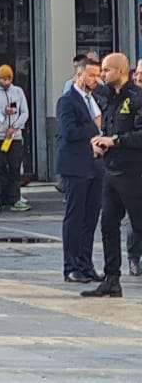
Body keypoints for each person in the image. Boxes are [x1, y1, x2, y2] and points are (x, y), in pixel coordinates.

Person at [84, 52, 142, 296]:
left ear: (121, 71)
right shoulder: (109, 99)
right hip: (111, 171)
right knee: (108, 223)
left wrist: (115, 140)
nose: (102, 74)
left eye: (107, 70)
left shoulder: (136, 98)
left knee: (139, 225)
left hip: (133, 172)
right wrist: (99, 144)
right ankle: (111, 278)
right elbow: (107, 128)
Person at [58, 54, 107, 285]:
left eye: (98, 75)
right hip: (75, 165)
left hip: (94, 166)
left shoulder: (93, 99)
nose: (96, 79)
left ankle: (86, 264)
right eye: (92, 75)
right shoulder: (67, 101)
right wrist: (93, 129)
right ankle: (71, 267)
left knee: (90, 218)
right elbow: (69, 132)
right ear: (79, 75)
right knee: (75, 217)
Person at [0, 65, 31, 212]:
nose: (6, 82)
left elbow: (24, 112)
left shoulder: (18, 92)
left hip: (14, 136)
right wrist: (3, 113)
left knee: (14, 168)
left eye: (8, 79)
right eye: (3, 79)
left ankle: (15, 198)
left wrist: (15, 126)